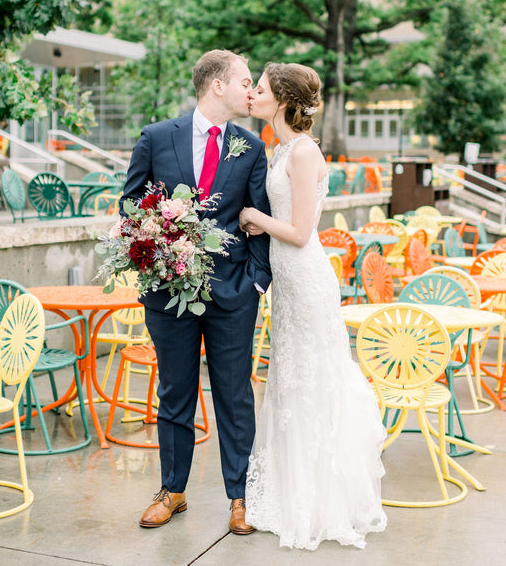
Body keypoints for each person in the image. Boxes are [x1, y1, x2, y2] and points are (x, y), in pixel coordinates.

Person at [121, 50, 272, 535]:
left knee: (234, 396)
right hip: (168, 294)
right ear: (217, 86)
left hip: (233, 294)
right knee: (175, 392)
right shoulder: (156, 137)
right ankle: (173, 490)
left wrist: (256, 282)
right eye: (245, 81)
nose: (252, 91)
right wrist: (157, 244)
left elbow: (259, 218)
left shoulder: (250, 146)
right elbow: (129, 206)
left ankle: (240, 497)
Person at [238, 63, 387, 550]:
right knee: (291, 379)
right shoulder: (281, 148)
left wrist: (253, 215)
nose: (252, 94)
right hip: (289, 282)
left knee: (312, 381)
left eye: (259, 89)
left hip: (306, 280)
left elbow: (302, 233)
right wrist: (266, 222)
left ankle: (318, 501)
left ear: (281, 98)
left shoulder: (302, 152)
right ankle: (290, 491)